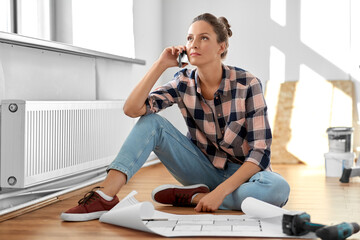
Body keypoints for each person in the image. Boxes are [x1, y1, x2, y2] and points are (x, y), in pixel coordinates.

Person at [61, 13, 290, 222]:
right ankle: (105, 196)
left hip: (243, 176)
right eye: (190, 38)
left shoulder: (247, 83)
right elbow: (132, 109)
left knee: (277, 189)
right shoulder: (182, 82)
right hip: (202, 168)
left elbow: (260, 152)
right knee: (151, 123)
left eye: (203, 38)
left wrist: (220, 193)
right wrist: (160, 65)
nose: (193, 44)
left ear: (222, 46)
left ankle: (195, 197)